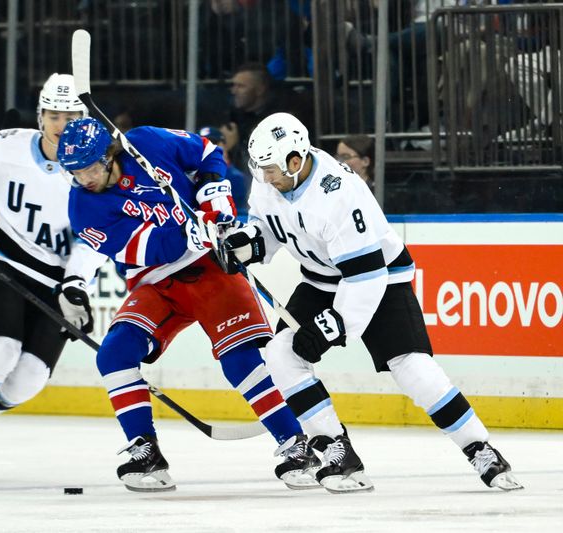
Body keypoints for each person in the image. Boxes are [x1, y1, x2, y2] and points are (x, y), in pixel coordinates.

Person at [57, 117, 370, 493]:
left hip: (212, 266)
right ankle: (145, 450)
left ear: (110, 155)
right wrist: (186, 233)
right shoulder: (83, 206)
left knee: (241, 361)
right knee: (113, 354)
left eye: (90, 168)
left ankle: (296, 444)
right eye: (74, 172)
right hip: (158, 281)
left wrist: (214, 204)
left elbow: (208, 154)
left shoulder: (146, 142)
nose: (84, 179)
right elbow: (143, 249)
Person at [223, 112, 523, 491]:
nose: (264, 177)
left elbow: (366, 277)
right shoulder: (270, 177)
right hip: (321, 279)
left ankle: (480, 448)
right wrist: (247, 244)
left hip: (382, 278)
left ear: (295, 161)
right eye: (260, 169)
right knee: (283, 353)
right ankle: (336, 450)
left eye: (271, 169)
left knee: (411, 366)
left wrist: (335, 325)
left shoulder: (339, 195)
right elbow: (269, 228)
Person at [0, 73, 106, 482]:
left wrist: (77, 282)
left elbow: (96, 236)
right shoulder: (7, 148)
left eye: (71, 115)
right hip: (2, 264)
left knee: (28, 380)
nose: (61, 124)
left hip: (55, 284)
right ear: (41, 116)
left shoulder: (95, 168)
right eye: (53, 115)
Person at [198, 125, 248, 220]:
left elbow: (241, 213)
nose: (208, 147)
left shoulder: (237, 177)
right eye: (203, 144)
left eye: (214, 142)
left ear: (224, 145)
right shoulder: (192, 175)